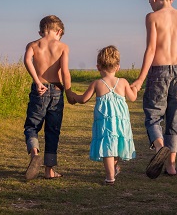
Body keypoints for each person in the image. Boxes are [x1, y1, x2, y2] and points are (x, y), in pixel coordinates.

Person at [131, 0, 177, 179]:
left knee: (153, 114)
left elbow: (151, 50)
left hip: (159, 71)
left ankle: (160, 147)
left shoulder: (152, 17)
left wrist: (140, 79)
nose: (150, 5)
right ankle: (171, 167)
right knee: (175, 119)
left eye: (149, 1)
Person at [71, 45, 138, 185]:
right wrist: (135, 89)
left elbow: (83, 99)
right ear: (118, 67)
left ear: (98, 67)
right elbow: (132, 97)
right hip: (121, 121)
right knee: (118, 143)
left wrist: (73, 96)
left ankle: (110, 177)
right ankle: (112, 170)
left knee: (108, 147)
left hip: (104, 121)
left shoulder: (97, 83)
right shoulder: (123, 82)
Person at [23, 15, 76, 180]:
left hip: (40, 90)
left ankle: (34, 153)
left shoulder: (33, 45)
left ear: (40, 31)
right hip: (57, 91)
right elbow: (65, 72)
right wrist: (68, 93)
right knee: (53, 131)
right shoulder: (63, 47)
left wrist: (37, 81)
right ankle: (49, 171)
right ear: (59, 31)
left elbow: (26, 61)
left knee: (32, 126)